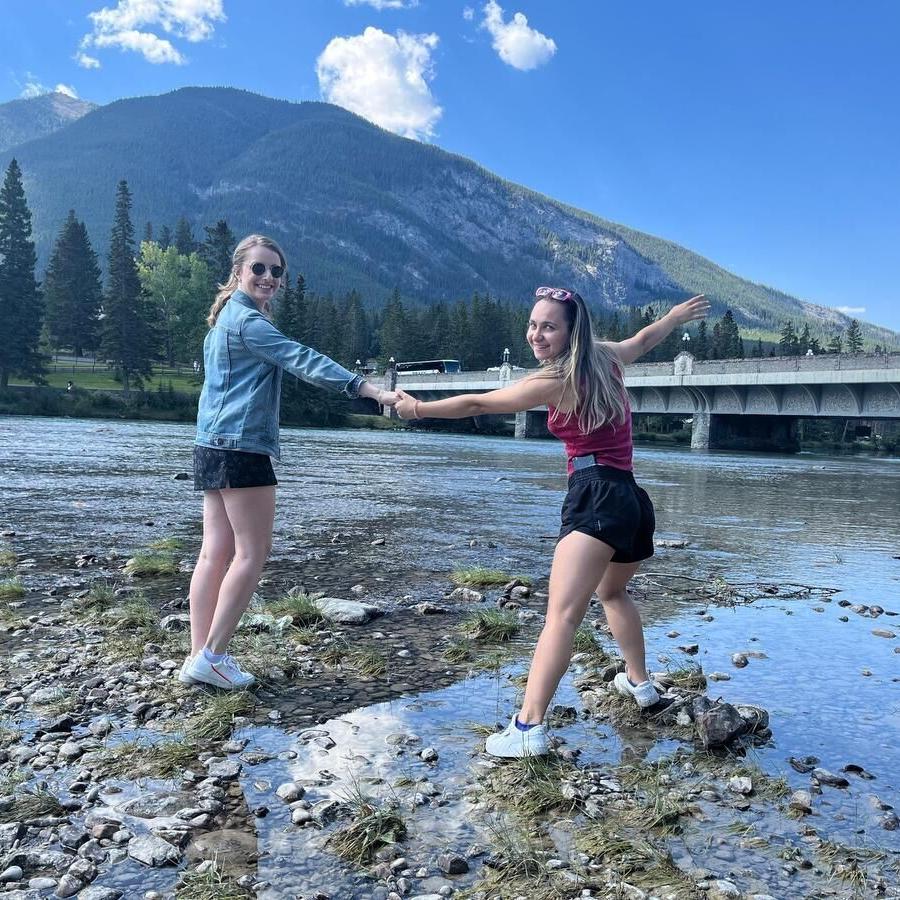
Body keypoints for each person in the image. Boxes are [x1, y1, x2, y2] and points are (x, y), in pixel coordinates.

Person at [395, 287, 709, 757]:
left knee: (560, 617)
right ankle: (640, 684)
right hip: (631, 500)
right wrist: (674, 317)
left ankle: (528, 728)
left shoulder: (556, 380)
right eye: (533, 324)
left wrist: (417, 409)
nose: (536, 335)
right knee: (611, 591)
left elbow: (479, 404)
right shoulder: (606, 359)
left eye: (548, 327)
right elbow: (644, 339)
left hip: (595, 496)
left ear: (570, 332)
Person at [181, 234, 397, 690]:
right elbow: (305, 360)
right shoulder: (250, 324)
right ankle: (214, 655)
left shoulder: (221, 324)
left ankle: (200, 656)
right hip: (242, 448)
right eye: (259, 268)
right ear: (238, 270)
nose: (268, 278)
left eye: (276, 271)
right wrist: (370, 390)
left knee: (213, 552)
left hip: (210, 445)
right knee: (250, 554)